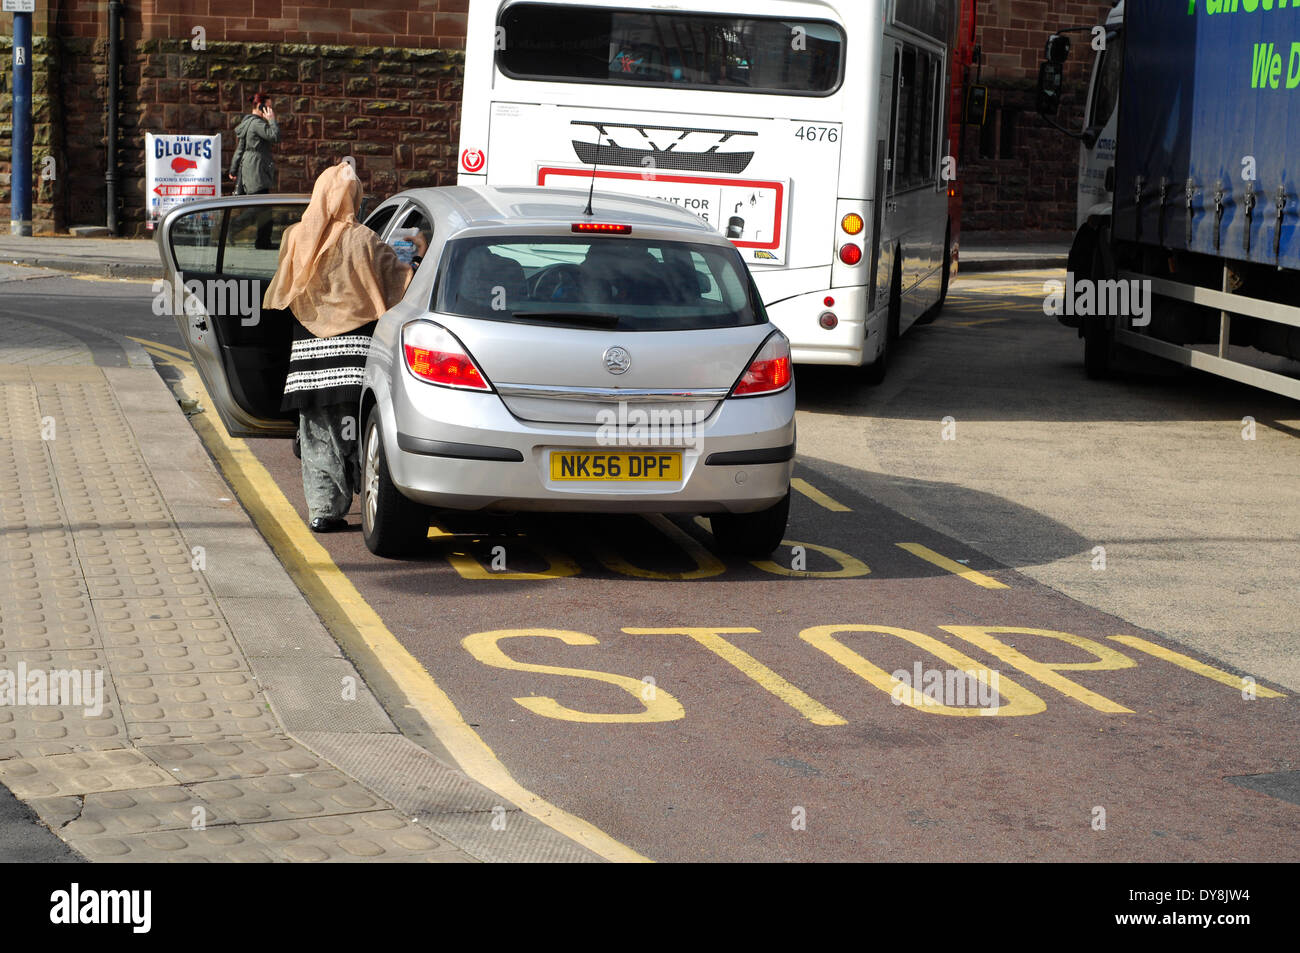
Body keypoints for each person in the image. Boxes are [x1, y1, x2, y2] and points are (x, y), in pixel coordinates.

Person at [262, 161, 428, 533]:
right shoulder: (364, 239)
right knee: (355, 431)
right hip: (354, 355)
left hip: (308, 357)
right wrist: (419, 252)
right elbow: (401, 284)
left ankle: (324, 510)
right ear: (353, 199)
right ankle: (364, 492)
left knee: (317, 434)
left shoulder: (295, 237)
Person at [230, 92, 280, 248]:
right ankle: (232, 228)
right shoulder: (257, 124)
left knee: (264, 208)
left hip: (251, 167)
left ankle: (263, 241)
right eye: (269, 107)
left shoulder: (248, 122)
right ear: (261, 106)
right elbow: (275, 137)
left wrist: (233, 169)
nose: (271, 111)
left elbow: (240, 149)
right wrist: (272, 120)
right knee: (259, 206)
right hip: (256, 169)